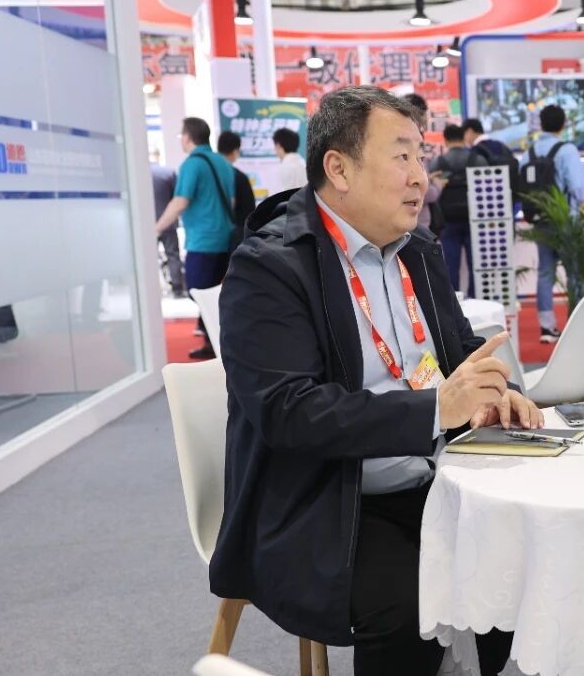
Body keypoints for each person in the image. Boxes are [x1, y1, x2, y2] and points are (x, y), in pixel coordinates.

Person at [213, 86, 532, 676]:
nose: (421, 177)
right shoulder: (270, 267)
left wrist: (496, 392)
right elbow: (291, 412)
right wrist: (436, 409)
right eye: (401, 156)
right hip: (329, 503)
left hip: (439, 480)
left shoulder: (417, 250)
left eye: (421, 156)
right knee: (410, 606)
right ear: (338, 168)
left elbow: (459, 353)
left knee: (524, 562)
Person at [155, 117, 236, 360]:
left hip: (203, 241)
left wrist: (156, 229)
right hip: (225, 238)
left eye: (182, 135)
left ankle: (220, 343)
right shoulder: (222, 163)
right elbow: (231, 201)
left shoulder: (192, 164)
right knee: (217, 294)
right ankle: (215, 342)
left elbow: (180, 201)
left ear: (188, 137)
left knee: (198, 291)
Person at [518, 104, 584, 343]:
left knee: (545, 273)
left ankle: (547, 328)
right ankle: (577, 323)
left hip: (541, 221)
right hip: (566, 220)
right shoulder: (566, 150)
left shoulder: (528, 153)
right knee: (575, 272)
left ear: (541, 124)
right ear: (563, 124)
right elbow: (577, 186)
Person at [429, 124, 488, 296]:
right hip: (475, 220)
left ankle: (454, 302)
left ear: (445, 140)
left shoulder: (438, 162)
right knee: (476, 265)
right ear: (463, 138)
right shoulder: (478, 160)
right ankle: (476, 300)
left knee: (450, 265)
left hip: (448, 222)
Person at [216, 131, 261, 253]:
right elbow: (249, 211)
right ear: (235, 151)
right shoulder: (238, 177)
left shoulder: (210, 175)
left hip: (211, 237)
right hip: (236, 237)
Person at [150, 155, 184, 297]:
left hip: (148, 224)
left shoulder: (140, 175)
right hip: (168, 222)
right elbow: (176, 197)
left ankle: (152, 290)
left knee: (149, 257)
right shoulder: (168, 173)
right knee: (173, 255)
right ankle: (177, 288)